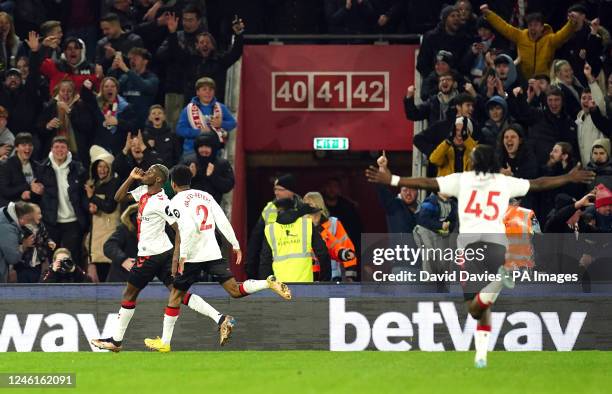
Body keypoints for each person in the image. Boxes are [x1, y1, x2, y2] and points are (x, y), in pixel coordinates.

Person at [365, 144, 595, 368]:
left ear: (474, 162)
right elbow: (539, 184)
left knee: (474, 307)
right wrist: (568, 177)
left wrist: (392, 180)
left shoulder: (462, 180)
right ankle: (482, 353)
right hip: (497, 250)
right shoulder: (503, 182)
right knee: (484, 307)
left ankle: (498, 282)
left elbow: (426, 182)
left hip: (472, 250)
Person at [144, 165, 292, 352]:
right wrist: (235, 244)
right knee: (235, 290)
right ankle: (267, 283)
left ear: (173, 184)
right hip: (213, 253)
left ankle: (165, 343)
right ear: (190, 181)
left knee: (175, 296)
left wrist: (182, 257)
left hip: (192, 256)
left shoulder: (175, 203)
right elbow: (222, 220)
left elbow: (186, 229)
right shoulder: (205, 196)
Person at [480, 4, 578, 79]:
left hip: (544, 80)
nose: (532, 28)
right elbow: (504, 27)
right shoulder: (521, 36)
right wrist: (488, 14)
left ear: (542, 27)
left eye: (535, 25)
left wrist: (571, 23)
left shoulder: (550, 39)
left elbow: (563, 34)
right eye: (530, 25)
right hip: (523, 80)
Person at [38, 135, 89, 268]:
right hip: (50, 221)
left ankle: (75, 286)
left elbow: (83, 194)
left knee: (73, 258)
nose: (59, 150)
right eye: (56, 147)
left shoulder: (78, 168)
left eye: (63, 147)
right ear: (51, 149)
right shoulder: (42, 168)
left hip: (73, 221)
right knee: (52, 258)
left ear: (68, 150)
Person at [246, 173, 304, 279]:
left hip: (301, 269)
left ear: (290, 191)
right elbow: (256, 239)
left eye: (280, 189)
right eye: (275, 189)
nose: (276, 193)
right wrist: (250, 265)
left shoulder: (303, 208)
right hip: (274, 265)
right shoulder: (269, 209)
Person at [85, 145, 121, 283]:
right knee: (100, 269)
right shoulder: (93, 184)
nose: (103, 170)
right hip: (97, 236)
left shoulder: (114, 183)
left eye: (106, 166)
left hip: (109, 232)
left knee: (110, 271)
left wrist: (92, 197)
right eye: (99, 166)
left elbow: (109, 207)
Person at [303, 191, 357, 282]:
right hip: (307, 275)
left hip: (332, 275)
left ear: (318, 204)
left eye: (309, 203)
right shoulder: (299, 226)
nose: (305, 207)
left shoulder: (333, 224)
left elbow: (346, 247)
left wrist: (350, 275)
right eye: (304, 204)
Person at [176, 77, 236, 157]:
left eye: (211, 90)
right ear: (198, 92)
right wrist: (199, 132)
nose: (208, 92)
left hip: (215, 152)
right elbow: (180, 130)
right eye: (204, 89)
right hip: (192, 152)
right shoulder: (188, 109)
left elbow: (233, 123)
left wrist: (221, 123)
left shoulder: (221, 107)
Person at [109, 47, 158, 129]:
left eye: (136, 59)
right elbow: (111, 90)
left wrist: (126, 69)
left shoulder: (152, 78)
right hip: (125, 123)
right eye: (131, 59)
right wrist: (113, 70)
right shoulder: (125, 78)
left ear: (145, 61)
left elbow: (144, 87)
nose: (132, 61)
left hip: (144, 125)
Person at [185, 132, 234, 204]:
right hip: (191, 205)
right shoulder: (189, 161)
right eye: (201, 147)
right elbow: (178, 185)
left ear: (213, 148)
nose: (204, 150)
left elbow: (228, 186)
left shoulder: (222, 164)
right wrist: (190, 176)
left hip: (214, 207)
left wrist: (213, 176)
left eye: (207, 147)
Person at [13, 203, 55, 283]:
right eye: (38, 214)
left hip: (37, 262)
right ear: (29, 215)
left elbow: (46, 237)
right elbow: (16, 243)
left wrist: (50, 242)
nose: (41, 216)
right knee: (23, 282)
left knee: (35, 280)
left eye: (41, 213)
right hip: (23, 263)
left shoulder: (41, 226)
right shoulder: (21, 228)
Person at [0, 132, 43, 206]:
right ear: (16, 147)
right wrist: (27, 188)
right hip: (11, 208)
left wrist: (36, 192)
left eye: (30, 145)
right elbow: (5, 191)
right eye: (24, 145)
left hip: (32, 208)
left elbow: (37, 191)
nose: (28, 148)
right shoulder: (6, 165)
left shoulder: (37, 166)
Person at [0, 200, 35, 283]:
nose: (29, 223)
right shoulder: (7, 229)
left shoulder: (4, 212)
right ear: (23, 218)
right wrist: (24, 245)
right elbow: (12, 258)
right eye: (29, 220)